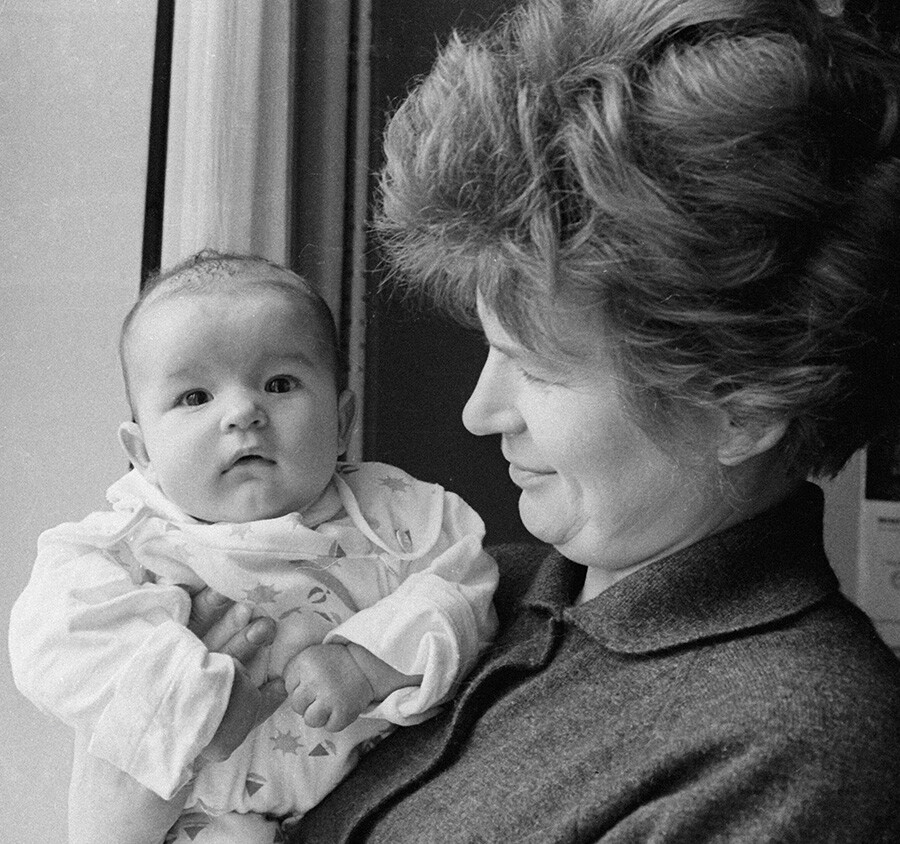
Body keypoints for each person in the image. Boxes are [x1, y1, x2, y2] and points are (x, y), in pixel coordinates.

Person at [254, 0, 899, 840]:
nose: (480, 412)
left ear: (739, 407)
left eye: (534, 365)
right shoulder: (473, 589)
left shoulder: (797, 743)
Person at [7, 251, 498, 843]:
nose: (244, 412)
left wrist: (366, 663)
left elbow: (464, 590)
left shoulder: (396, 514)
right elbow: (53, 637)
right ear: (141, 453)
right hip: (191, 820)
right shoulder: (124, 545)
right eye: (194, 397)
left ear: (342, 420)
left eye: (279, 384)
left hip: (360, 809)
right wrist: (194, 703)